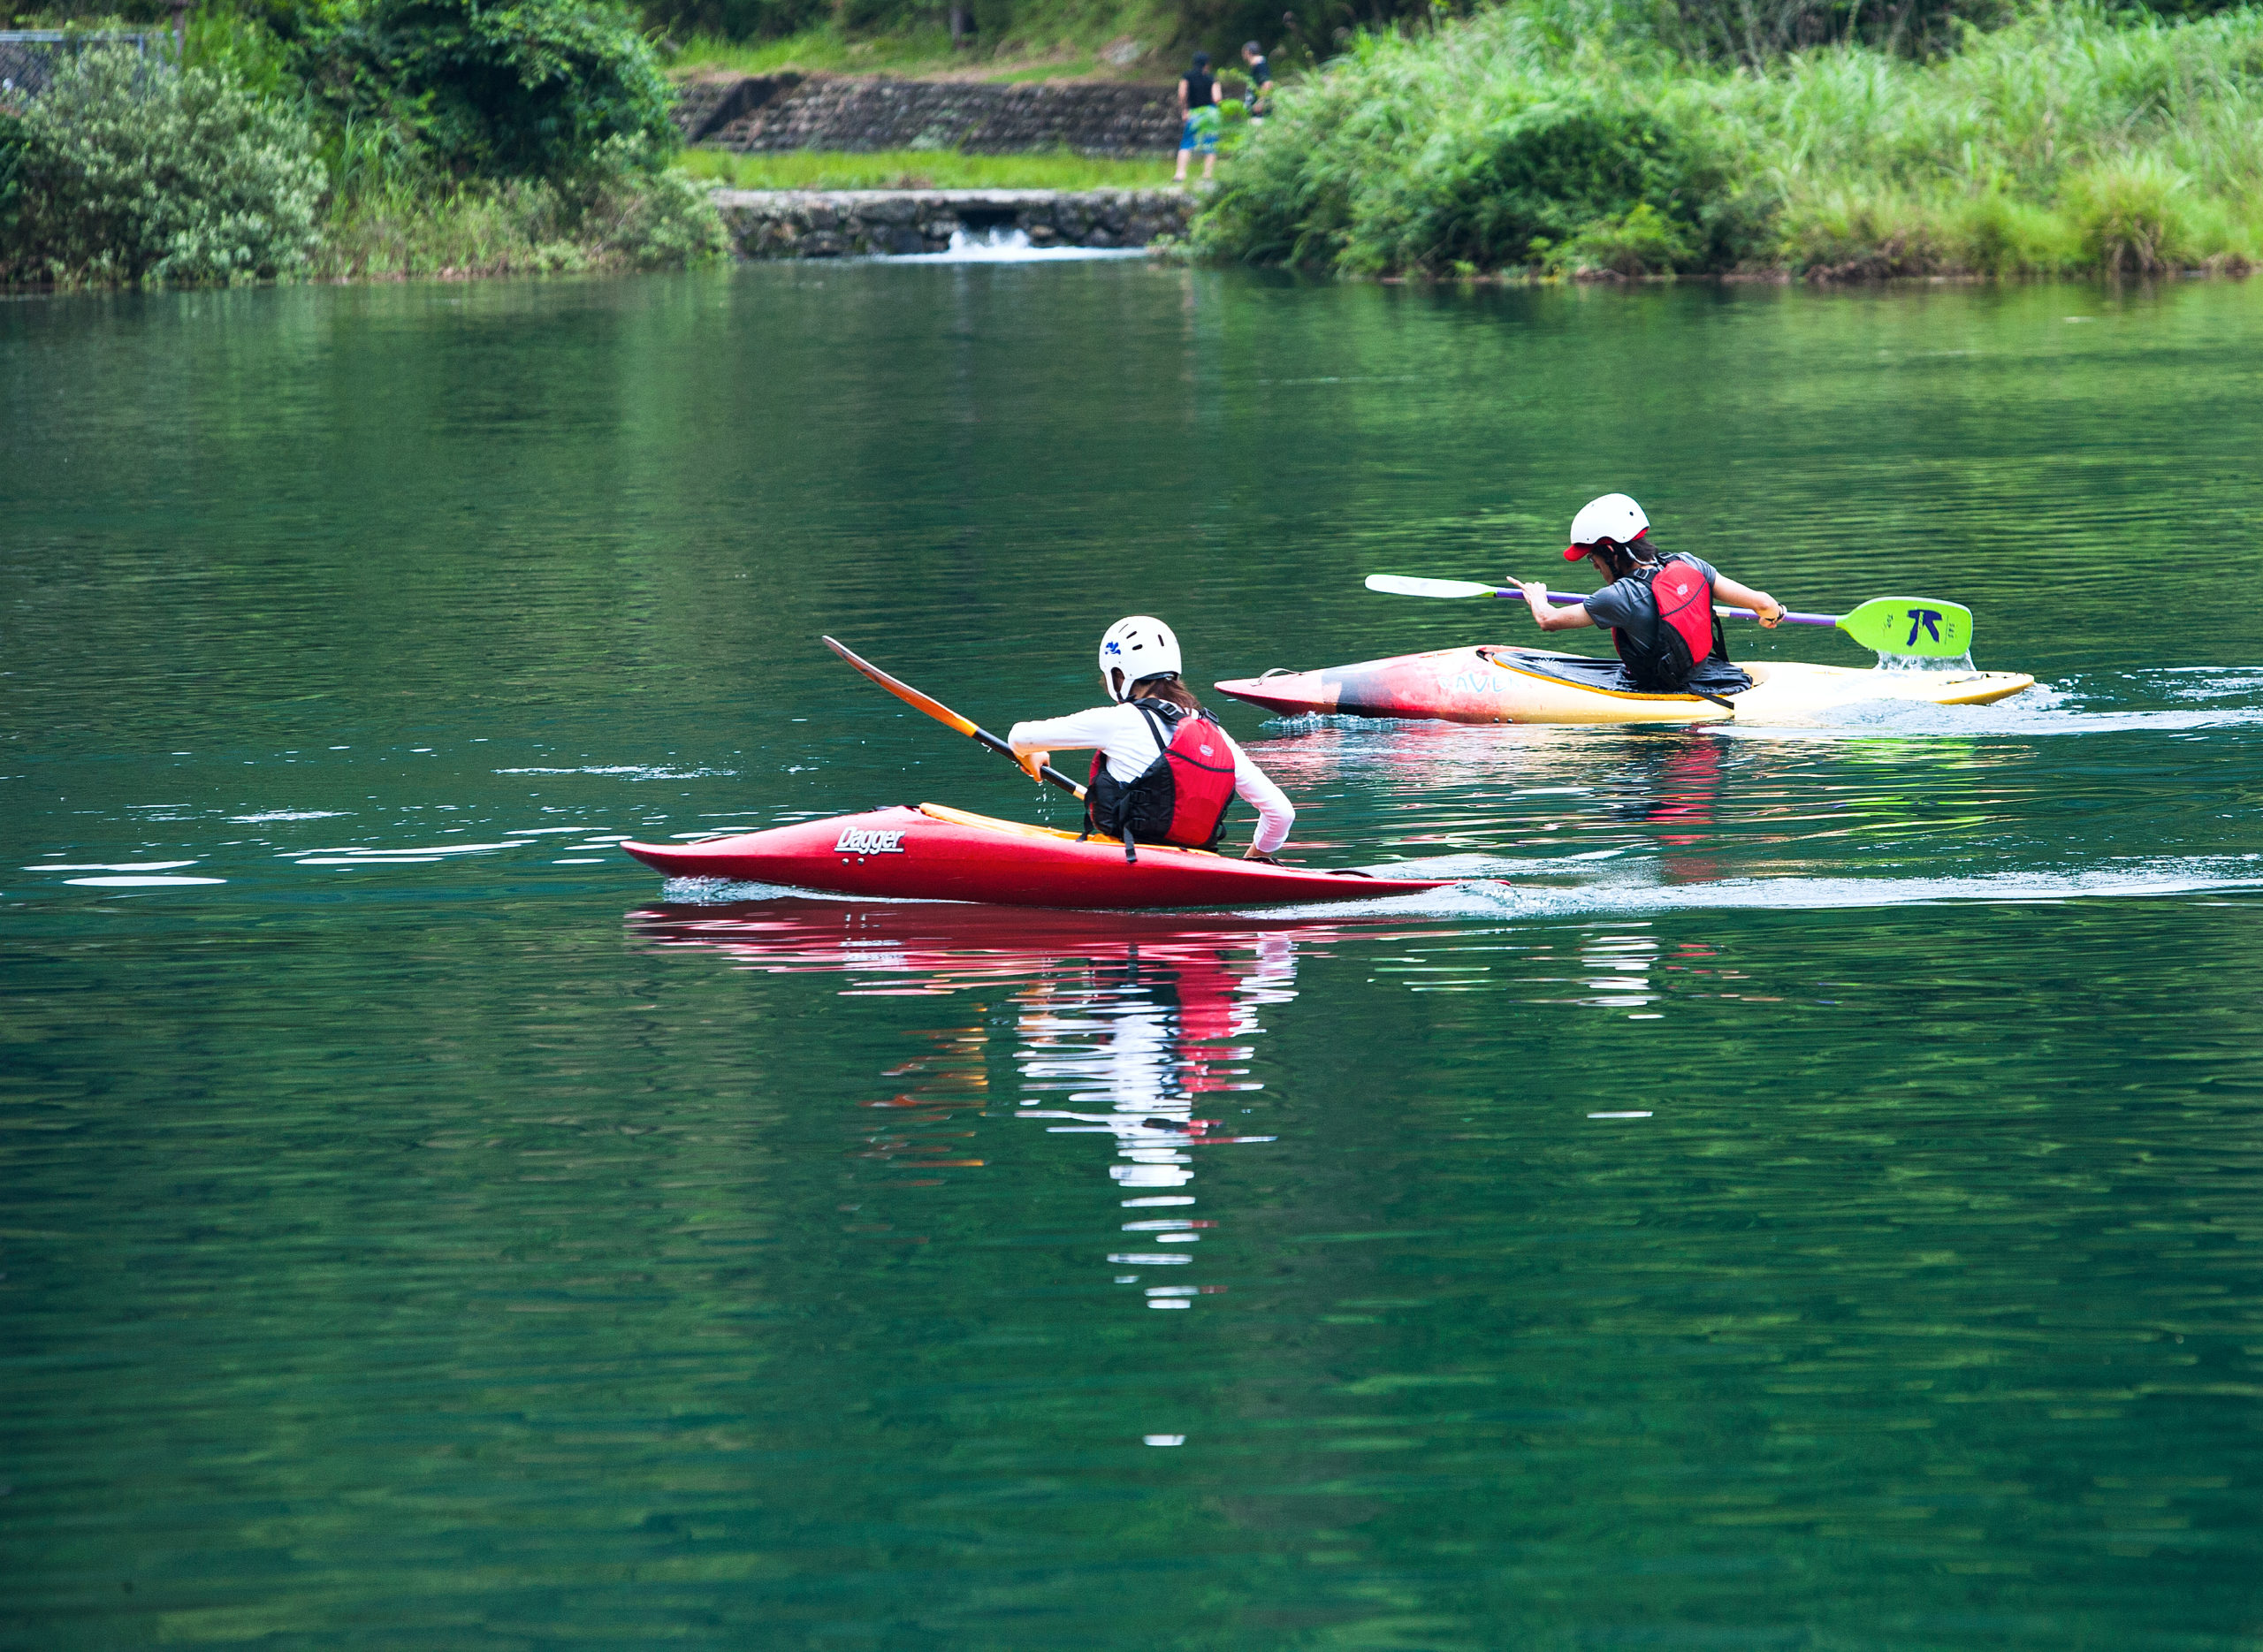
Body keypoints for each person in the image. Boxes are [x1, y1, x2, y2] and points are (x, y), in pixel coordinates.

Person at [1009, 616, 1294, 861]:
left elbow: (1019, 736)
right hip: (1199, 863)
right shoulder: (1216, 734)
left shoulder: (1119, 720)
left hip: (1132, 860)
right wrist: (1253, 863)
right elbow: (1281, 814)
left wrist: (1034, 754)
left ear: (1119, 675)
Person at [1510, 493, 1787, 697]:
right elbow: (1762, 603)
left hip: (1667, 690)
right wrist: (1773, 615)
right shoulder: (1690, 564)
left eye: (1593, 558)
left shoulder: (1617, 597)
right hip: (1716, 676)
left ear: (1611, 553)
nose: (1594, 565)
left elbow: (1548, 620)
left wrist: (1536, 596)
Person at [1175, 52, 1222, 184]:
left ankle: (1180, 174)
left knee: (1187, 143)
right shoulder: (1212, 78)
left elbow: (1182, 94)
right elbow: (1217, 98)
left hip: (1194, 112)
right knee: (1210, 144)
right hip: (1210, 113)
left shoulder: (1187, 77)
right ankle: (1207, 175)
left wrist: (1185, 110)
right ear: (1207, 64)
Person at [1240, 41, 1274, 121]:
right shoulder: (1256, 66)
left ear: (1248, 52)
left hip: (1260, 110)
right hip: (1255, 108)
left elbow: (1267, 84)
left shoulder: (1260, 66)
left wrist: (1260, 102)